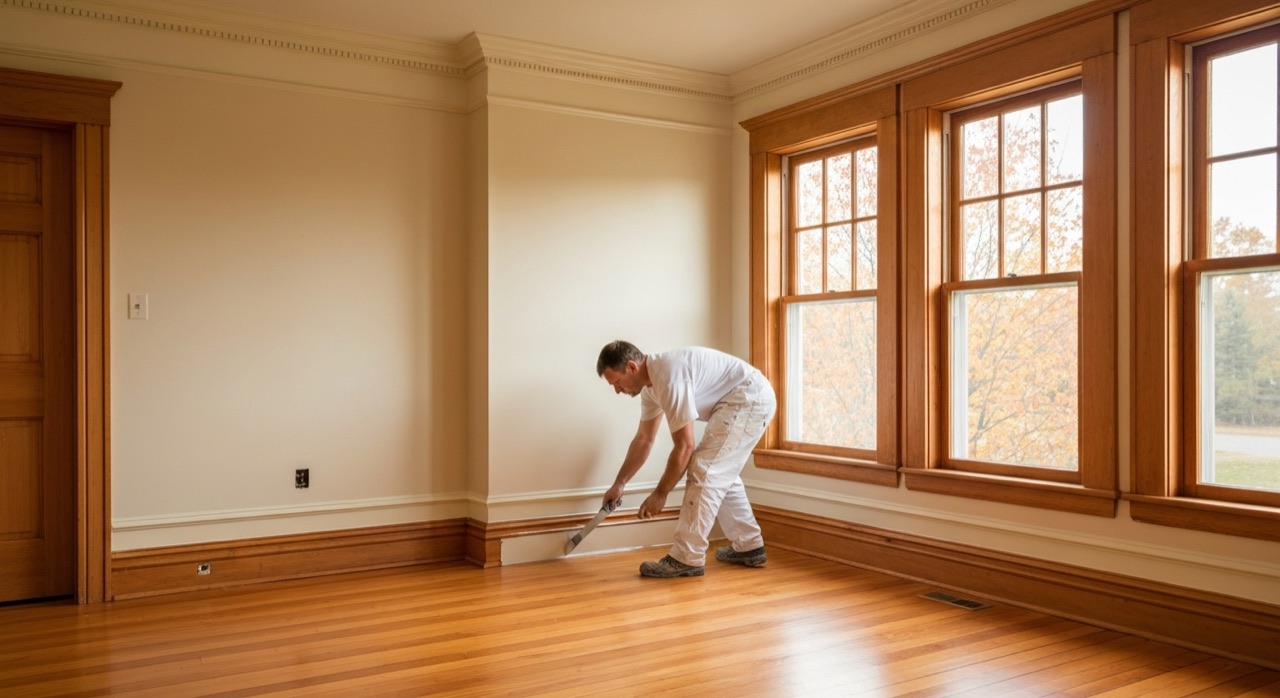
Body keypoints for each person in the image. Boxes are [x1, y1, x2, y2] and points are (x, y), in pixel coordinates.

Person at [596, 340, 776, 578]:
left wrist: (660, 494)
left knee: (705, 468)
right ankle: (749, 546)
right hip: (742, 398)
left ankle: (686, 557)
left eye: (617, 382)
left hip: (750, 397)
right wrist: (619, 484)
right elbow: (643, 440)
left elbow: (685, 446)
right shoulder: (651, 389)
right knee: (718, 471)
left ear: (631, 367)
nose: (617, 390)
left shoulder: (669, 376)